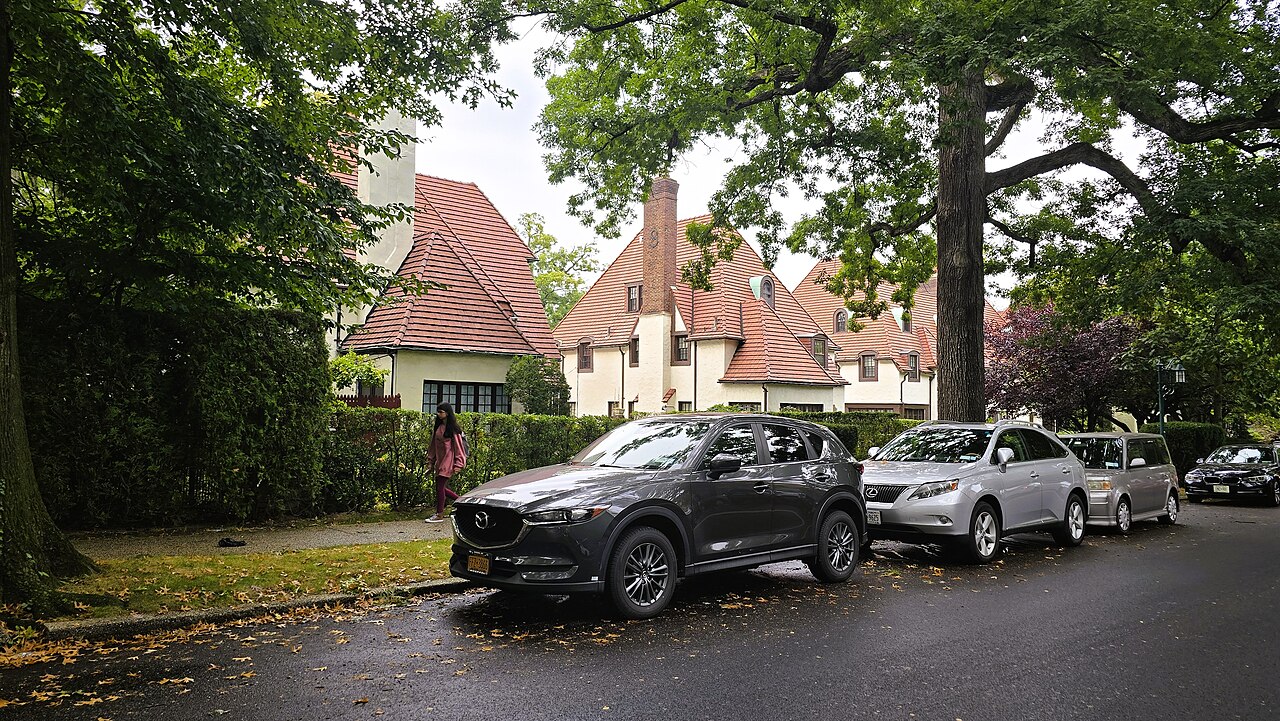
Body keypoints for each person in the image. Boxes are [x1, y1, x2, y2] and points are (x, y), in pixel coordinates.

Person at [424, 402, 467, 522]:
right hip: (440, 461)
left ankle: (439, 514)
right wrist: (430, 461)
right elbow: (433, 446)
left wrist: (459, 464)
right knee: (441, 488)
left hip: (448, 461)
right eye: (438, 412)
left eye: (441, 412)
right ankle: (463, 502)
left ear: (447, 413)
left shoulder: (453, 429)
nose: (438, 414)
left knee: (440, 487)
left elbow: (459, 448)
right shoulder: (438, 428)